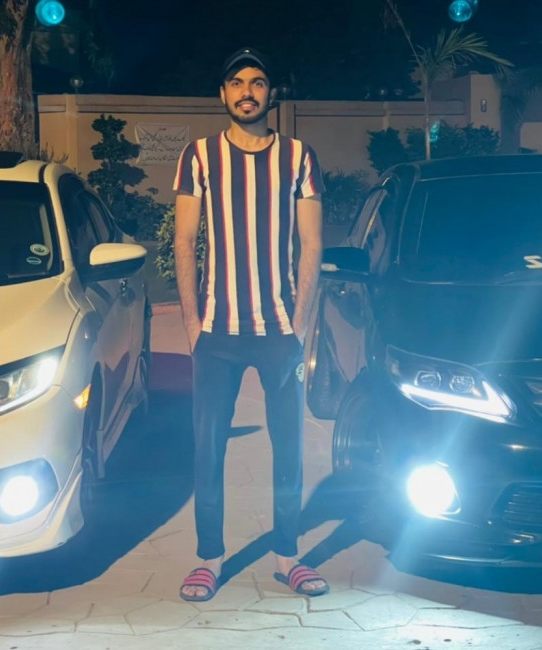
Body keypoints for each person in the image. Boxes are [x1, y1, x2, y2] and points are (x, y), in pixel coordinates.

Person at [173, 46, 328, 602]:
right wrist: (192, 325)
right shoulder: (199, 156)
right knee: (208, 449)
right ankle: (209, 560)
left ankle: (288, 556)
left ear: (270, 93)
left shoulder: (299, 157)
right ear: (223, 94)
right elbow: (184, 241)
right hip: (217, 333)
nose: (247, 91)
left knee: (289, 447)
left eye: (257, 82)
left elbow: (312, 243)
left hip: (280, 332)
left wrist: (301, 324)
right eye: (237, 82)